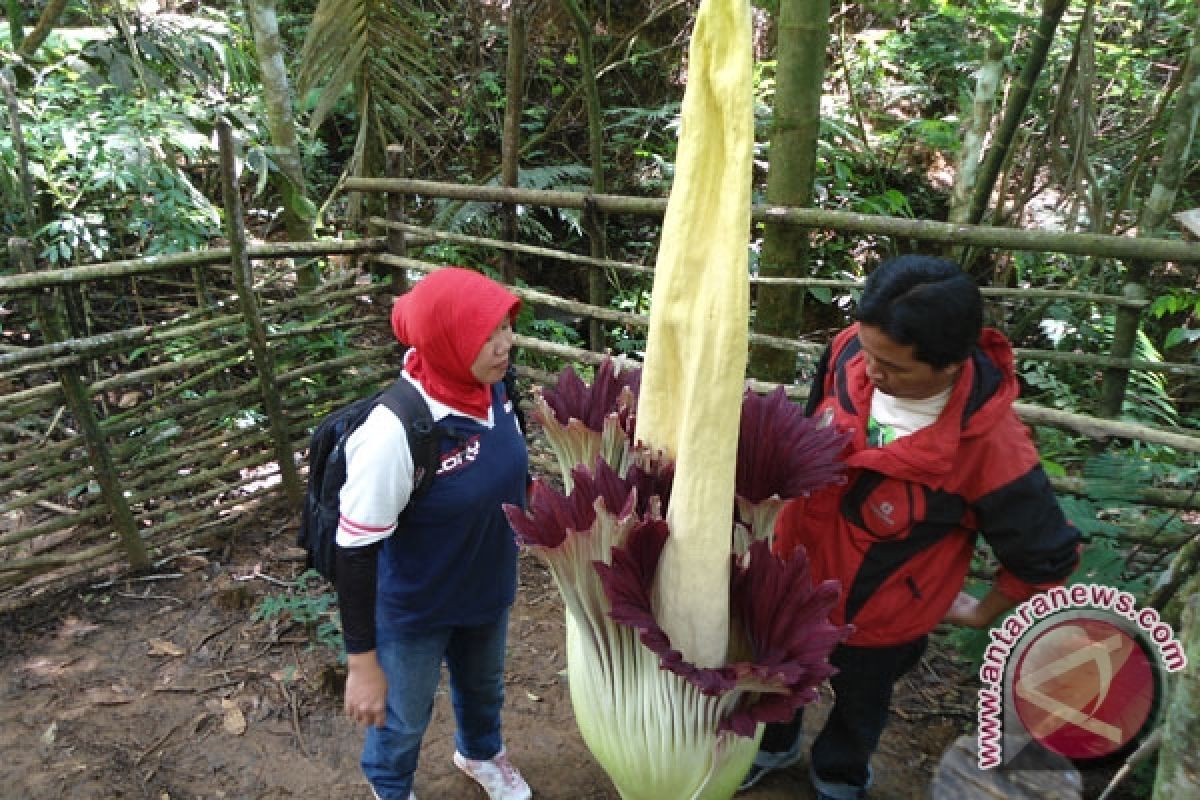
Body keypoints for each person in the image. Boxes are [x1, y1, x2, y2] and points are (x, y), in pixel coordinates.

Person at [741, 255, 1080, 799]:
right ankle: (771, 747)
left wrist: (980, 612)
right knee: (774, 675)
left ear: (949, 365)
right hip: (795, 578)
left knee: (860, 703)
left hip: (880, 618)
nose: (872, 372)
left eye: (894, 367)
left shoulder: (993, 451)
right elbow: (808, 430)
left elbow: (1045, 555)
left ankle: (838, 777)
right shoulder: (851, 348)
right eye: (868, 351)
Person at [335, 267, 533, 800]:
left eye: (505, 327)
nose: (504, 344)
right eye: (485, 335)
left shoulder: (494, 389)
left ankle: (480, 754)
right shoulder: (394, 432)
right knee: (400, 718)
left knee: (482, 689)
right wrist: (361, 664)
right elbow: (354, 551)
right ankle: (391, 787)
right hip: (415, 607)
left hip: (486, 587)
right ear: (448, 341)